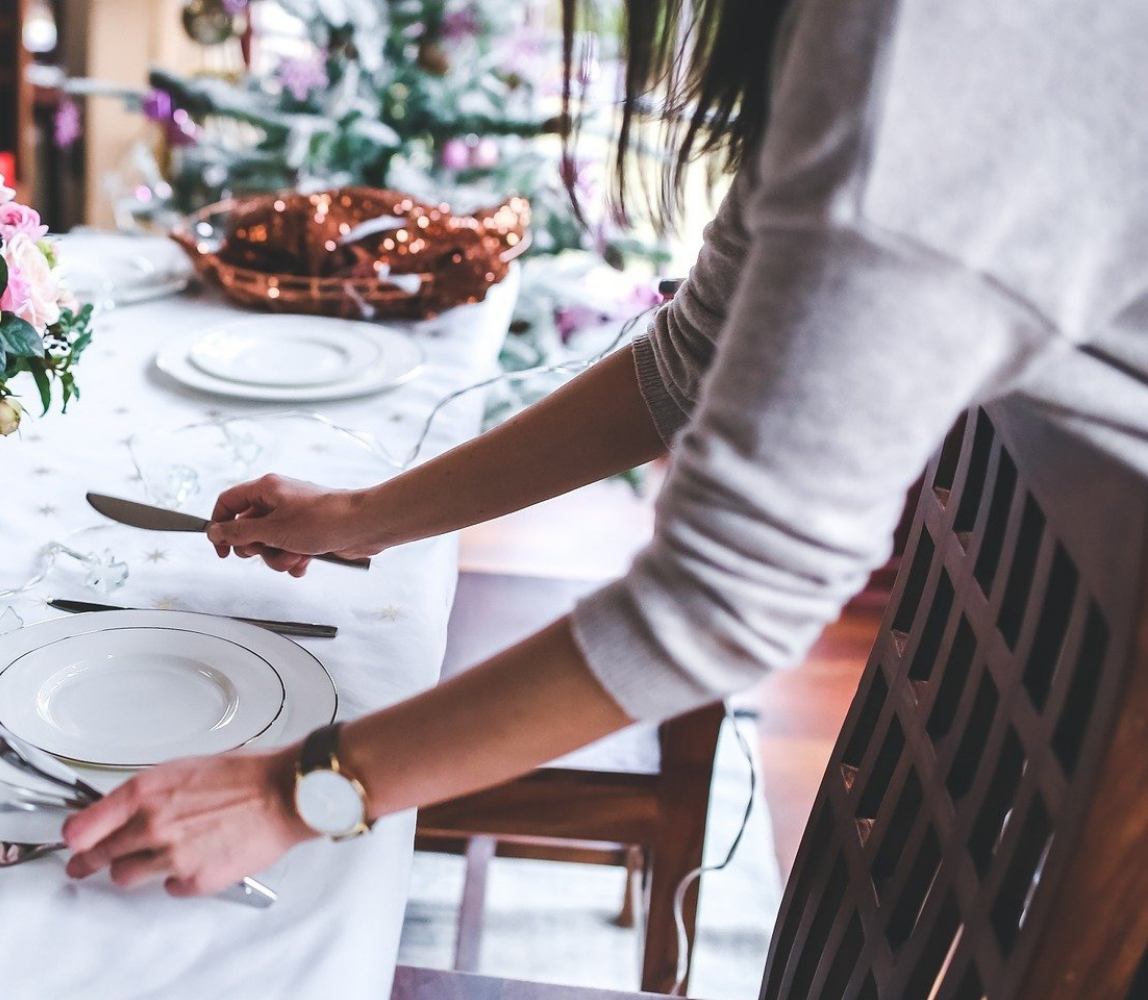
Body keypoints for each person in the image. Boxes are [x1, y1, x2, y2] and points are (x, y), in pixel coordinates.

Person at [60, 0, 1148, 897]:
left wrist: (291, 794)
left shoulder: (922, 45)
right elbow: (689, 361)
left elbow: (720, 601)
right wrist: (361, 518)